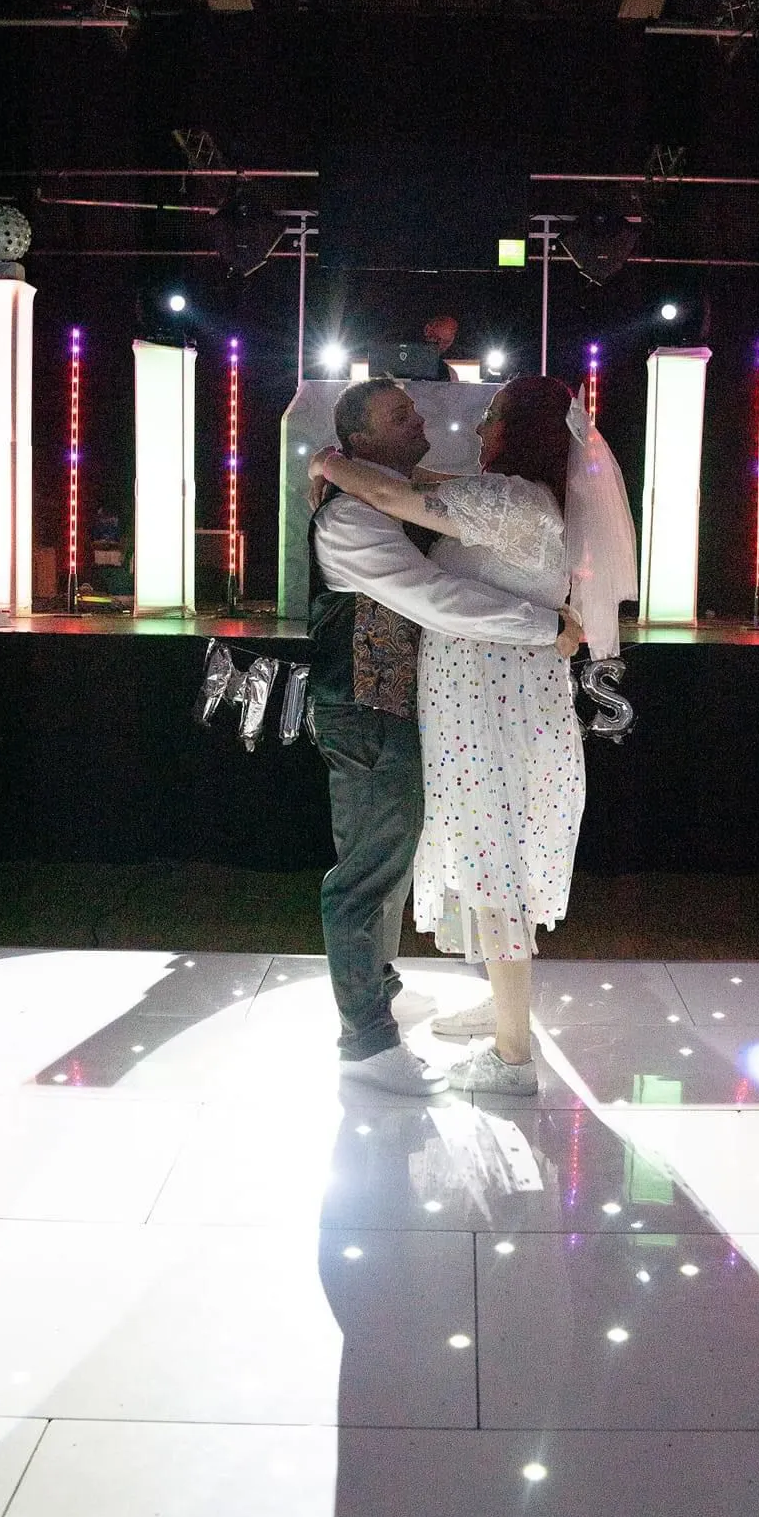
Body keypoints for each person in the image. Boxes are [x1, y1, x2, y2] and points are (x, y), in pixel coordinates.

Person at [311, 375, 637, 1096]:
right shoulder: (510, 498)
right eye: (403, 414)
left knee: (493, 859)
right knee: (468, 855)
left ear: (518, 432)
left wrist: (331, 463)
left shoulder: (511, 499)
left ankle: (511, 1052)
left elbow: (410, 513)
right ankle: (477, 1012)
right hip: (478, 700)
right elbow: (417, 491)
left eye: (490, 417)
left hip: (491, 707)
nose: (464, 427)